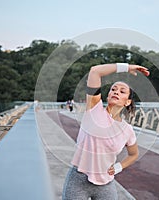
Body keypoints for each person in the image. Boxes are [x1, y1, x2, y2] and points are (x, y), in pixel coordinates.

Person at [62, 63, 150, 200]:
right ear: (108, 95)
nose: (116, 92)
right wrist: (127, 67)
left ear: (127, 102)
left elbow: (133, 154)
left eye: (122, 92)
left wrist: (118, 167)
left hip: (106, 184)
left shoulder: (127, 130)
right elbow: (95, 71)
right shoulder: (94, 109)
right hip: (78, 180)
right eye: (113, 89)